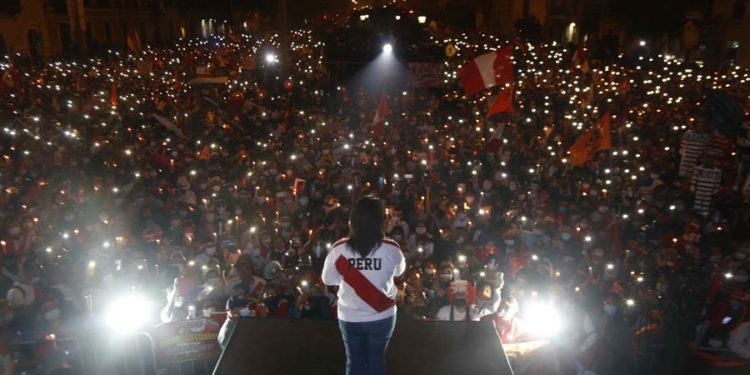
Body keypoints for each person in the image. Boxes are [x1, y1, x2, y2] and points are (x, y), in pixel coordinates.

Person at [322, 196, 406, 375]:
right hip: (382, 314)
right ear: (380, 221)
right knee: (376, 361)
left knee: (354, 364)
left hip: (349, 315)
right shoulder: (392, 248)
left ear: (353, 221)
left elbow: (328, 280)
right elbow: (399, 272)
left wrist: (348, 278)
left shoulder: (339, 248)